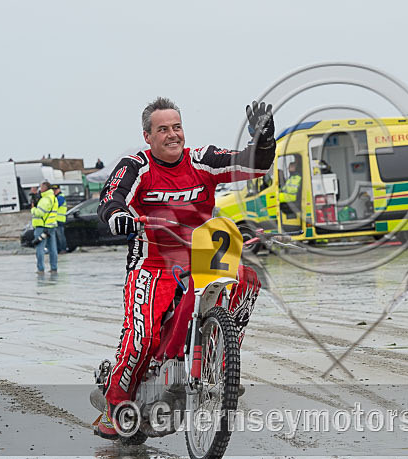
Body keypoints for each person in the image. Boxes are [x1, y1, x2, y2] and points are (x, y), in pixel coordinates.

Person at [93, 97, 275, 439]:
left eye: (177, 127)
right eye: (163, 129)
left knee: (246, 278)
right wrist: (117, 216)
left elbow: (252, 166)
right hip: (152, 261)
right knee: (144, 336)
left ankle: (220, 364)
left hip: (201, 255)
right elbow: (112, 197)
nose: (172, 135)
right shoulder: (136, 166)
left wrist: (263, 140)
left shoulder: (202, 160)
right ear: (148, 136)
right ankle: (114, 405)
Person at [31, 181, 58, 274]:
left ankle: (40, 269)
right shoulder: (54, 198)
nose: (39, 189)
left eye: (41, 187)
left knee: (40, 248)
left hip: (42, 226)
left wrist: (33, 209)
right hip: (51, 226)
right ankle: (54, 268)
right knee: (53, 248)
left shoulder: (45, 200)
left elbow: (40, 212)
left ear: (44, 189)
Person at [52, 184, 68, 252]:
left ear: (59, 189)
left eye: (56, 190)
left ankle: (63, 249)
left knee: (60, 236)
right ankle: (59, 249)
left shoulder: (61, 197)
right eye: (53, 190)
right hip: (55, 220)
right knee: (57, 236)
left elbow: (56, 205)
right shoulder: (56, 197)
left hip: (60, 220)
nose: (54, 191)